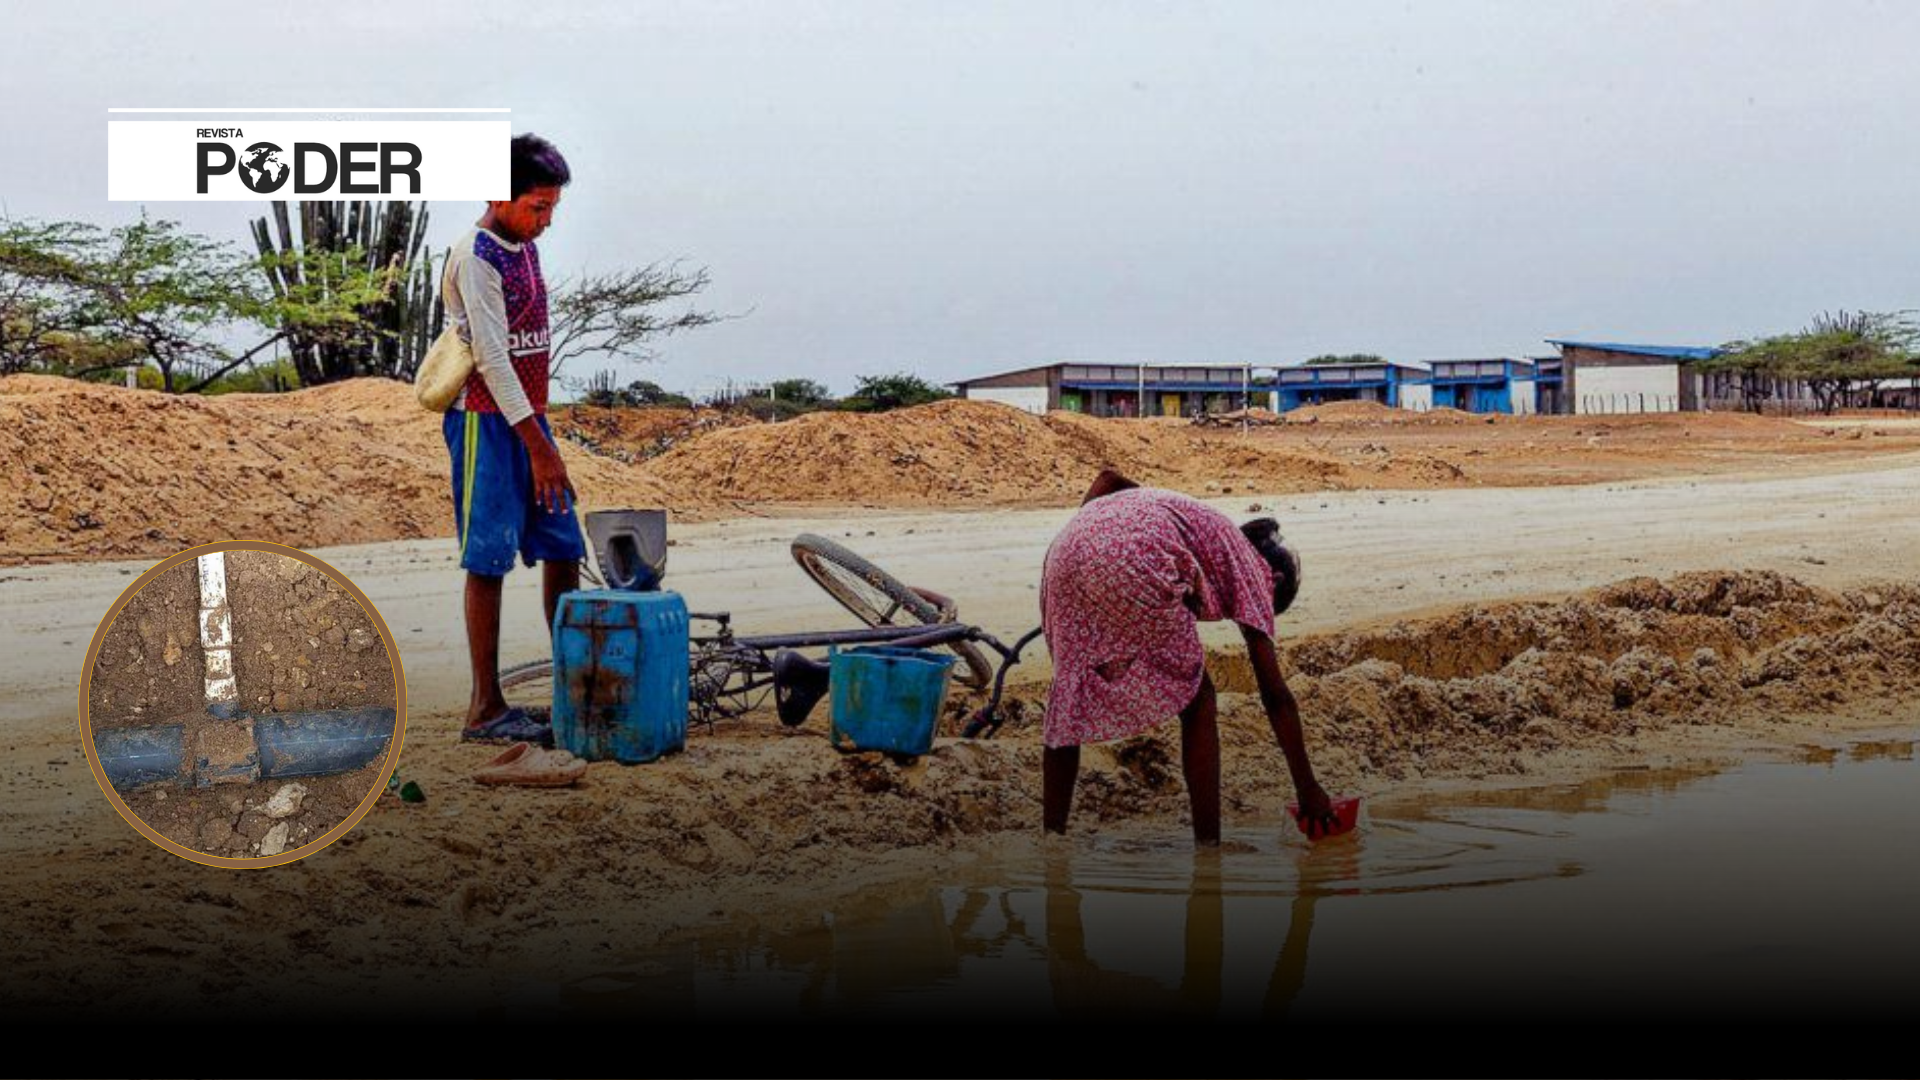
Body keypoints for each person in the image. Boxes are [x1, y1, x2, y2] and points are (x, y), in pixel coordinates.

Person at [1039, 468, 1337, 844]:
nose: (1247, 621)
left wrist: (1094, 547)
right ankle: (1208, 849)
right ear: (1274, 580)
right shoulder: (1254, 569)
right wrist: (1307, 788)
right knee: (1199, 701)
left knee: (1070, 689)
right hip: (1133, 557)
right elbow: (1274, 695)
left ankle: (1051, 841)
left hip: (1065, 551)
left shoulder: (1206, 528)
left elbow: (1107, 479)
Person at [443, 132, 582, 744]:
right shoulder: (475, 257)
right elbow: (492, 360)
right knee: (489, 557)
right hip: (485, 421)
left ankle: (574, 687)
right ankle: (485, 707)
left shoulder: (524, 246)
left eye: (552, 208)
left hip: (529, 418)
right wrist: (541, 449)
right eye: (537, 207)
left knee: (564, 547)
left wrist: (540, 434)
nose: (546, 220)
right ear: (498, 195)